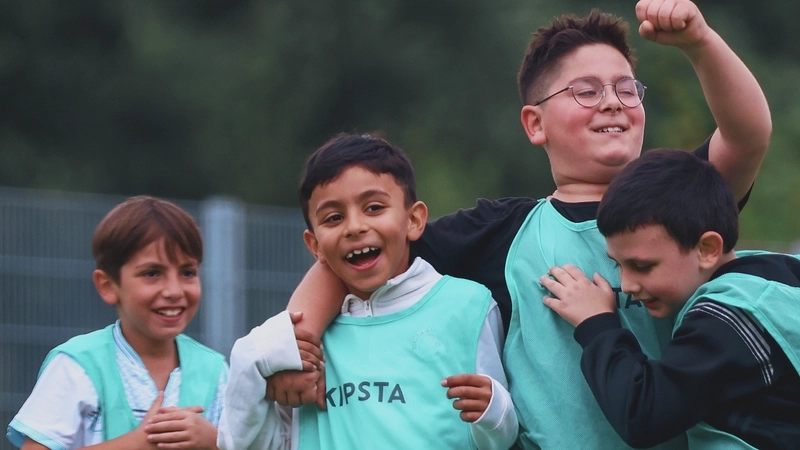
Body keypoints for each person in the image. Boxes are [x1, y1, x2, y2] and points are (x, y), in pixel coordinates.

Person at [272, 0, 773, 448]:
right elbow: (357, 255)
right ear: (535, 124)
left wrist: (700, 43)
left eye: (626, 88)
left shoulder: (683, 199)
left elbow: (748, 135)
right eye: (586, 91)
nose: (613, 101)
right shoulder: (501, 231)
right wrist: (298, 348)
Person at [217, 133, 518, 450]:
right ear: (314, 245)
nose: (354, 226)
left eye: (374, 207)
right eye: (334, 217)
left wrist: (494, 408)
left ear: (414, 220)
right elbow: (244, 444)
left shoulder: (469, 306)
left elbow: (499, 438)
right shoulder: (297, 345)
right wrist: (252, 357)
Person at [541, 148, 800, 449]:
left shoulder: (734, 317)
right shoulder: (771, 280)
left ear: (706, 249)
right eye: (618, 265)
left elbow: (643, 415)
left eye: (642, 266)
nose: (626, 285)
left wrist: (596, 323)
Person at [7, 196, 228, 450]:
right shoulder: (78, 366)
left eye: (187, 272)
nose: (174, 290)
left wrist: (215, 442)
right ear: (108, 286)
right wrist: (137, 443)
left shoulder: (215, 372)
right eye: (152, 273)